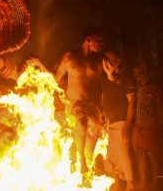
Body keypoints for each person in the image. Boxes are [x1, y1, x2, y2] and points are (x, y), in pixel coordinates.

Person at [53, 26, 106, 185]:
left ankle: (85, 178)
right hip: (76, 104)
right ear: (88, 39)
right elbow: (55, 77)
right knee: (82, 124)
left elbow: (108, 81)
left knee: (91, 146)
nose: (102, 43)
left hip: (94, 106)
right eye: (99, 40)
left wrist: (101, 107)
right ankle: (81, 162)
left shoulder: (99, 60)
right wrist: (39, 65)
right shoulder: (70, 56)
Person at [102, 52, 136, 191]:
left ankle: (131, 185)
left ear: (118, 61)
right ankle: (116, 182)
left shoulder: (127, 78)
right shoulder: (104, 79)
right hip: (109, 123)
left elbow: (132, 102)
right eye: (105, 60)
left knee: (124, 153)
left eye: (110, 59)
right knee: (111, 154)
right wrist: (103, 117)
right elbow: (103, 100)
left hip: (122, 122)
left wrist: (128, 124)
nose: (106, 62)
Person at [132, 60, 163, 191]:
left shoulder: (155, 88)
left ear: (147, 73)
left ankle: (157, 182)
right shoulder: (135, 88)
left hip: (151, 126)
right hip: (137, 126)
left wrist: (160, 125)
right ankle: (144, 183)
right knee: (140, 154)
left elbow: (160, 108)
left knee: (154, 155)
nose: (139, 76)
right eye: (136, 74)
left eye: (141, 72)